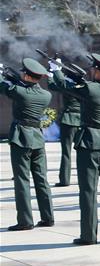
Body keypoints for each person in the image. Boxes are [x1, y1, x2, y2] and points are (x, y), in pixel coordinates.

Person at [51, 54, 100, 245]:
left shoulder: (90, 89)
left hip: (90, 143)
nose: (91, 71)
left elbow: (63, 86)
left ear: (99, 71)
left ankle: (88, 235)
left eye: (94, 69)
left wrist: (57, 70)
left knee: (88, 190)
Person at [2, 58, 54, 231]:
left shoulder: (20, 91)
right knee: (41, 179)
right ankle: (48, 217)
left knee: (22, 180)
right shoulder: (46, 95)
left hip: (21, 138)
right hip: (37, 139)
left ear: (28, 76)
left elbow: (4, 87)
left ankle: (25, 220)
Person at [49, 72, 80, 187]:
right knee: (82, 152)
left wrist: (51, 75)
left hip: (69, 120)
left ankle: (65, 179)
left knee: (66, 152)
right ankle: (83, 177)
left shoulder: (67, 86)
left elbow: (52, 86)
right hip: (81, 120)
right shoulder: (83, 87)